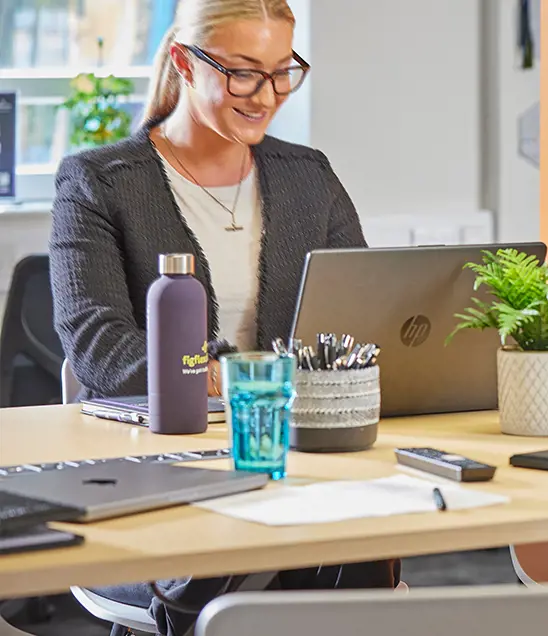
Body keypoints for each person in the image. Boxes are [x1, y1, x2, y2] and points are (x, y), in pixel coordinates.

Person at [47, 1, 396, 634]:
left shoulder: (309, 177)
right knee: (247, 548)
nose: (266, 95)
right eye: (243, 72)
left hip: (299, 460)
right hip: (161, 465)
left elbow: (358, 318)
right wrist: (232, 380)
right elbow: (97, 344)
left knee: (367, 543)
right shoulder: (99, 181)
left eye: (281, 71)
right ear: (184, 62)